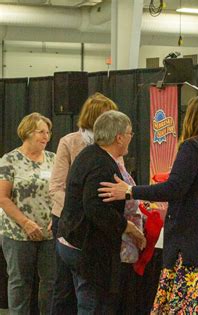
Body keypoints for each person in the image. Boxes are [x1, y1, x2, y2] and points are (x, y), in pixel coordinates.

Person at [99, 94, 198, 314]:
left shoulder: (193, 147)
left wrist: (130, 191)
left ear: (192, 118)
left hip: (193, 251)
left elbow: (174, 188)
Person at [56, 110, 146, 313]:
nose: (132, 137)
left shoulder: (89, 154)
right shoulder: (102, 164)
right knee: (93, 305)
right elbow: (95, 207)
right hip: (86, 247)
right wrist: (128, 227)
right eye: (130, 133)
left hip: (71, 240)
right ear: (119, 137)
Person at [49, 92, 118, 314]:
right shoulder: (69, 142)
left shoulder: (112, 143)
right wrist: (74, 210)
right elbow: (56, 187)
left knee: (91, 290)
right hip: (68, 222)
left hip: (95, 223)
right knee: (64, 287)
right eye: (108, 115)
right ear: (95, 118)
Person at [0, 112, 56, 314]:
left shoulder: (53, 159)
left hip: (49, 233)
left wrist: (56, 217)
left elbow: (61, 191)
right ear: (27, 132)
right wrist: (25, 223)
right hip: (17, 233)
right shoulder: (10, 160)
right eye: (41, 131)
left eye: (48, 132)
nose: (46, 136)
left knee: (50, 283)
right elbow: (3, 198)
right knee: (20, 283)